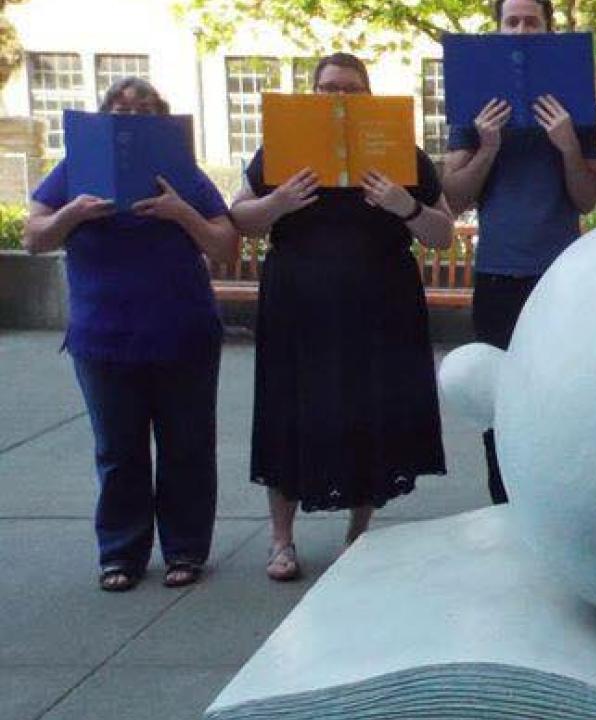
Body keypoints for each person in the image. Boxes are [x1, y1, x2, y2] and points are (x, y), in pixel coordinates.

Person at [231, 53, 456, 581]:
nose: (339, 98)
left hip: (379, 309)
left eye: (351, 89)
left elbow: (442, 234)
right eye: (329, 88)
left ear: (367, 96)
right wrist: (280, 201)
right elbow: (241, 218)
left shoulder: (399, 151)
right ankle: (281, 540)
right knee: (288, 413)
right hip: (297, 307)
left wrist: (404, 205)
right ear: (313, 94)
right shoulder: (282, 149)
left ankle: (359, 531)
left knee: (369, 414)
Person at [22, 78, 239, 591]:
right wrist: (74, 212)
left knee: (186, 448)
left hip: (182, 333)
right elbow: (34, 238)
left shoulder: (181, 171)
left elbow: (225, 245)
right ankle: (121, 553)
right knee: (118, 451)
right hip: (104, 337)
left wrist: (180, 212)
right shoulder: (76, 168)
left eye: (145, 108)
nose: (133, 115)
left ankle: (186, 549)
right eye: (121, 109)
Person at [443, 0, 596, 505]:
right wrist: (487, 146)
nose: (521, 29)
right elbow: (454, 197)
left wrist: (568, 145)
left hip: (561, 276)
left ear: (548, 28)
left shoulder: (575, 103)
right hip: (498, 274)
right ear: (498, 28)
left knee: (564, 397)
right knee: (500, 402)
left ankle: (560, 503)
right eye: (511, 21)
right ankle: (504, 507)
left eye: (531, 21)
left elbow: (587, 199)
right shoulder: (474, 101)